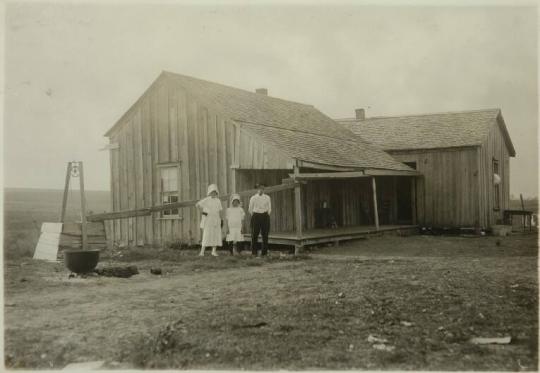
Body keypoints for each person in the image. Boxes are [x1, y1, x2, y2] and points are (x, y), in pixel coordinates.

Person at [196, 184, 223, 257]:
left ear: (216, 193)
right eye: (212, 192)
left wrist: (220, 219)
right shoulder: (206, 199)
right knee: (206, 234)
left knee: (215, 235)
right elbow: (198, 205)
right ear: (209, 192)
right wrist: (204, 212)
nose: (213, 193)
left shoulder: (218, 200)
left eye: (214, 192)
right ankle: (202, 251)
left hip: (216, 219)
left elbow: (220, 211)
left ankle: (213, 251)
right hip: (208, 220)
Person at [248, 183, 271, 257]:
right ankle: (254, 252)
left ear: (264, 189)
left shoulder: (267, 197)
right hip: (256, 216)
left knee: (265, 235)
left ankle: (264, 253)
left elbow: (269, 208)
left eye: (262, 188)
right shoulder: (253, 198)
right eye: (259, 188)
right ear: (257, 189)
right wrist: (255, 215)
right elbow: (250, 209)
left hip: (265, 216)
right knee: (254, 234)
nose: (261, 190)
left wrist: (266, 214)